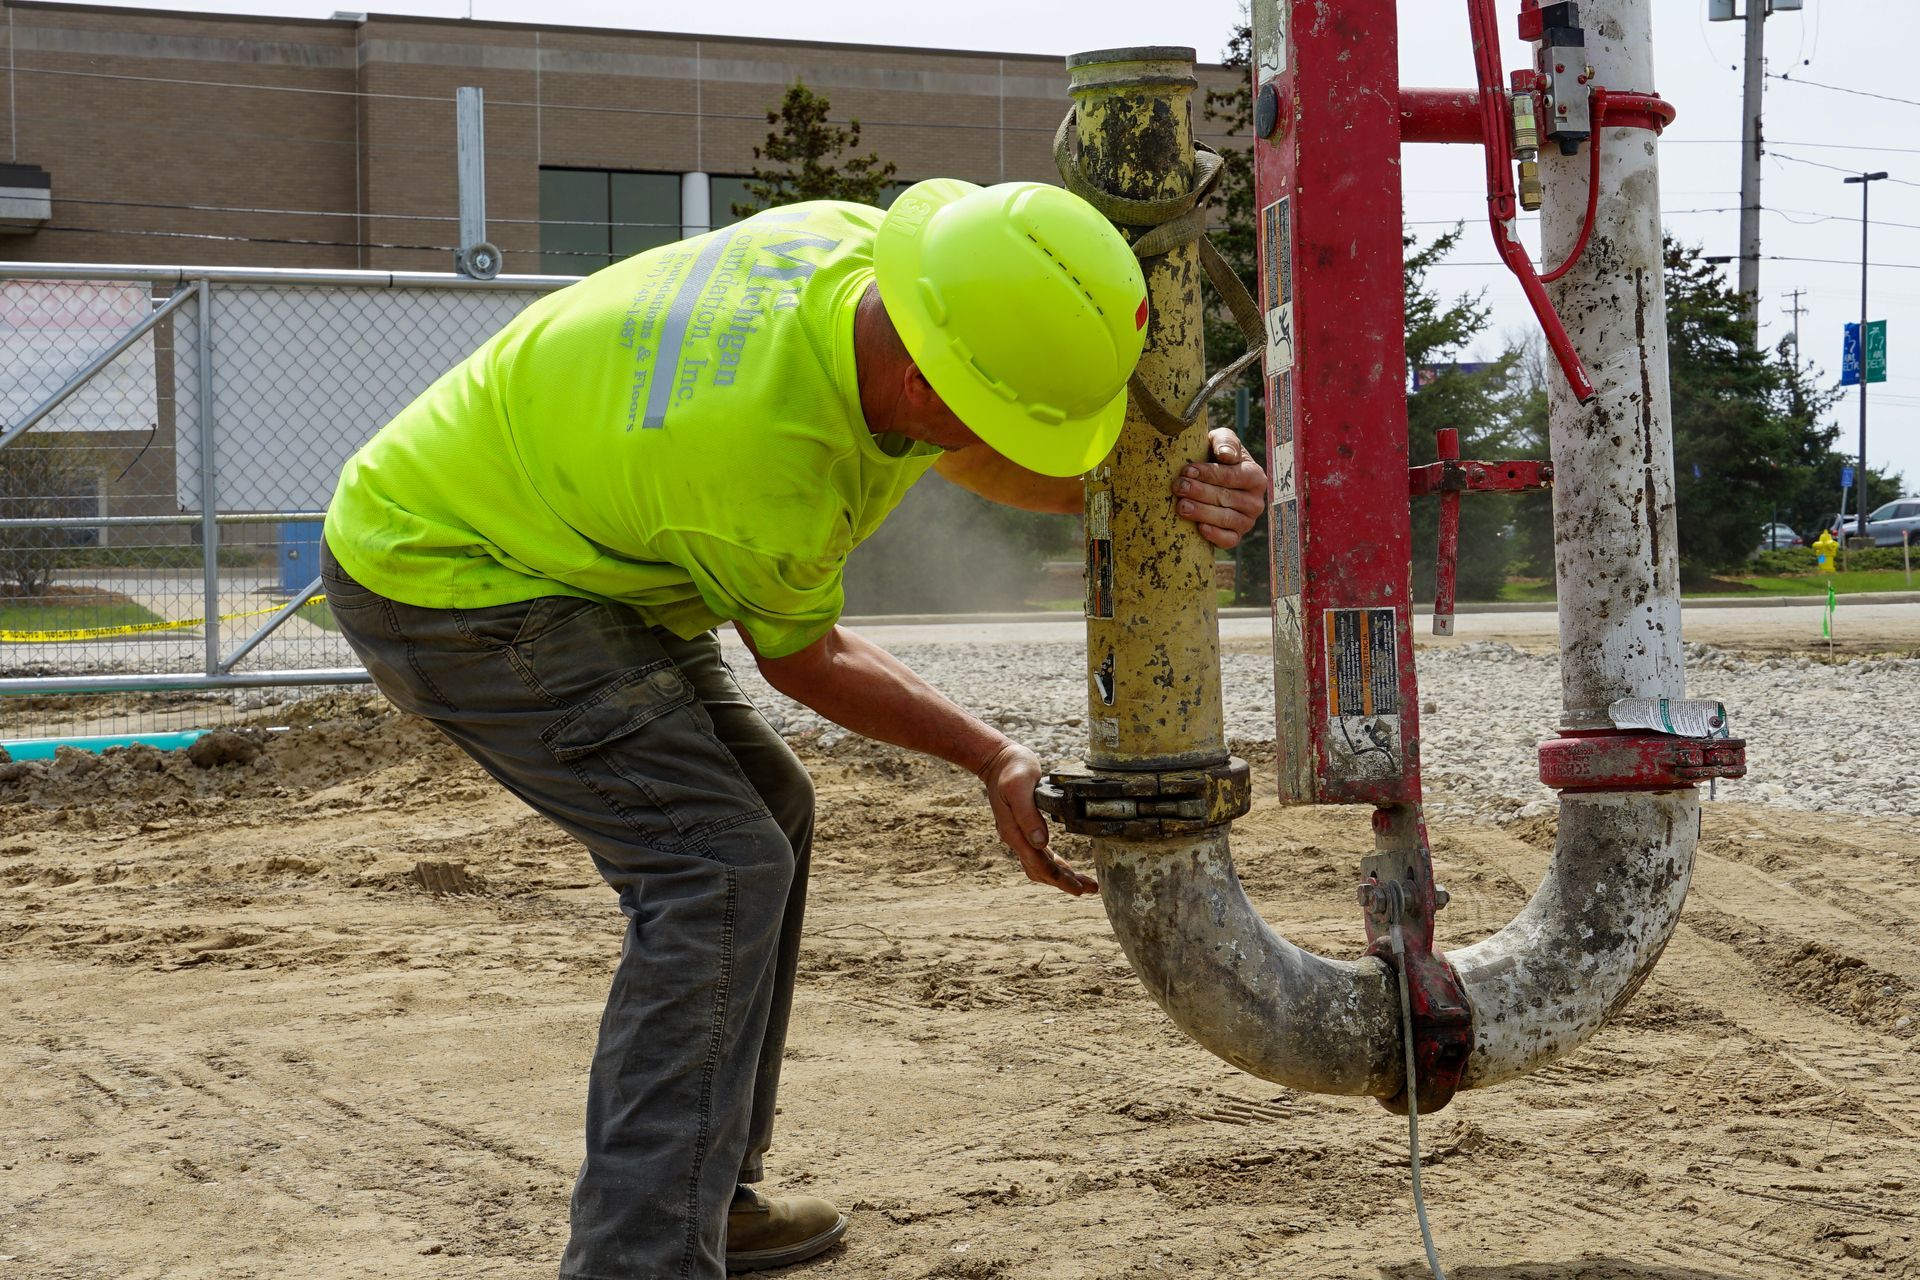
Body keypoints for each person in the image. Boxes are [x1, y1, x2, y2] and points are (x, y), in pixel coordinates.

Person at [319, 178, 1267, 1279]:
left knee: (766, 811)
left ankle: (703, 1195)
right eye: (1007, 419)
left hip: (563, 535)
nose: (1040, 451)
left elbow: (968, 434)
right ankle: (639, 1256)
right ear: (922, 378)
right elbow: (807, 660)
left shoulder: (898, 261)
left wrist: (1178, 475)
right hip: (448, 577)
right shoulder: (762, 459)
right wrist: (992, 750)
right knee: (713, 865)